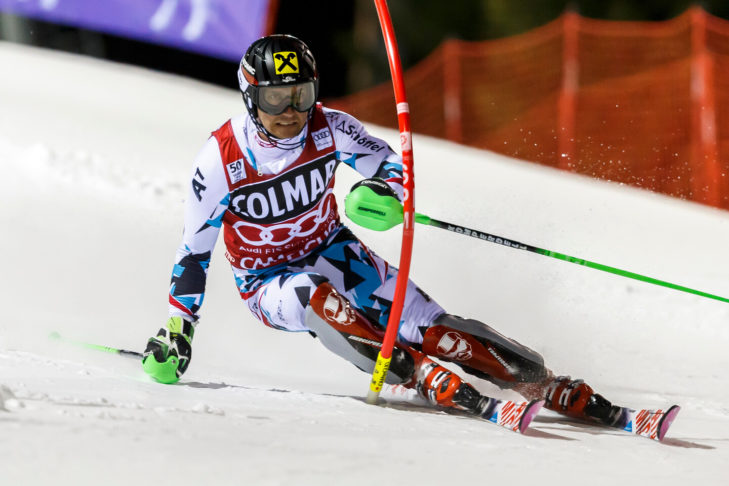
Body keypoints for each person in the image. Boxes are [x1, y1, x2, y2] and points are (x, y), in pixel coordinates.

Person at [142, 34, 625, 427]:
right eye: (275, 98)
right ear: (251, 96)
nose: (291, 111)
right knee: (316, 297)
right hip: (267, 281)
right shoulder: (220, 159)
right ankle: (414, 373)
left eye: (300, 95)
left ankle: (540, 380)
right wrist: (179, 329)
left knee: (432, 327)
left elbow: (391, 166)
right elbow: (193, 253)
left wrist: (382, 192)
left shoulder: (330, 127)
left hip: (335, 250)